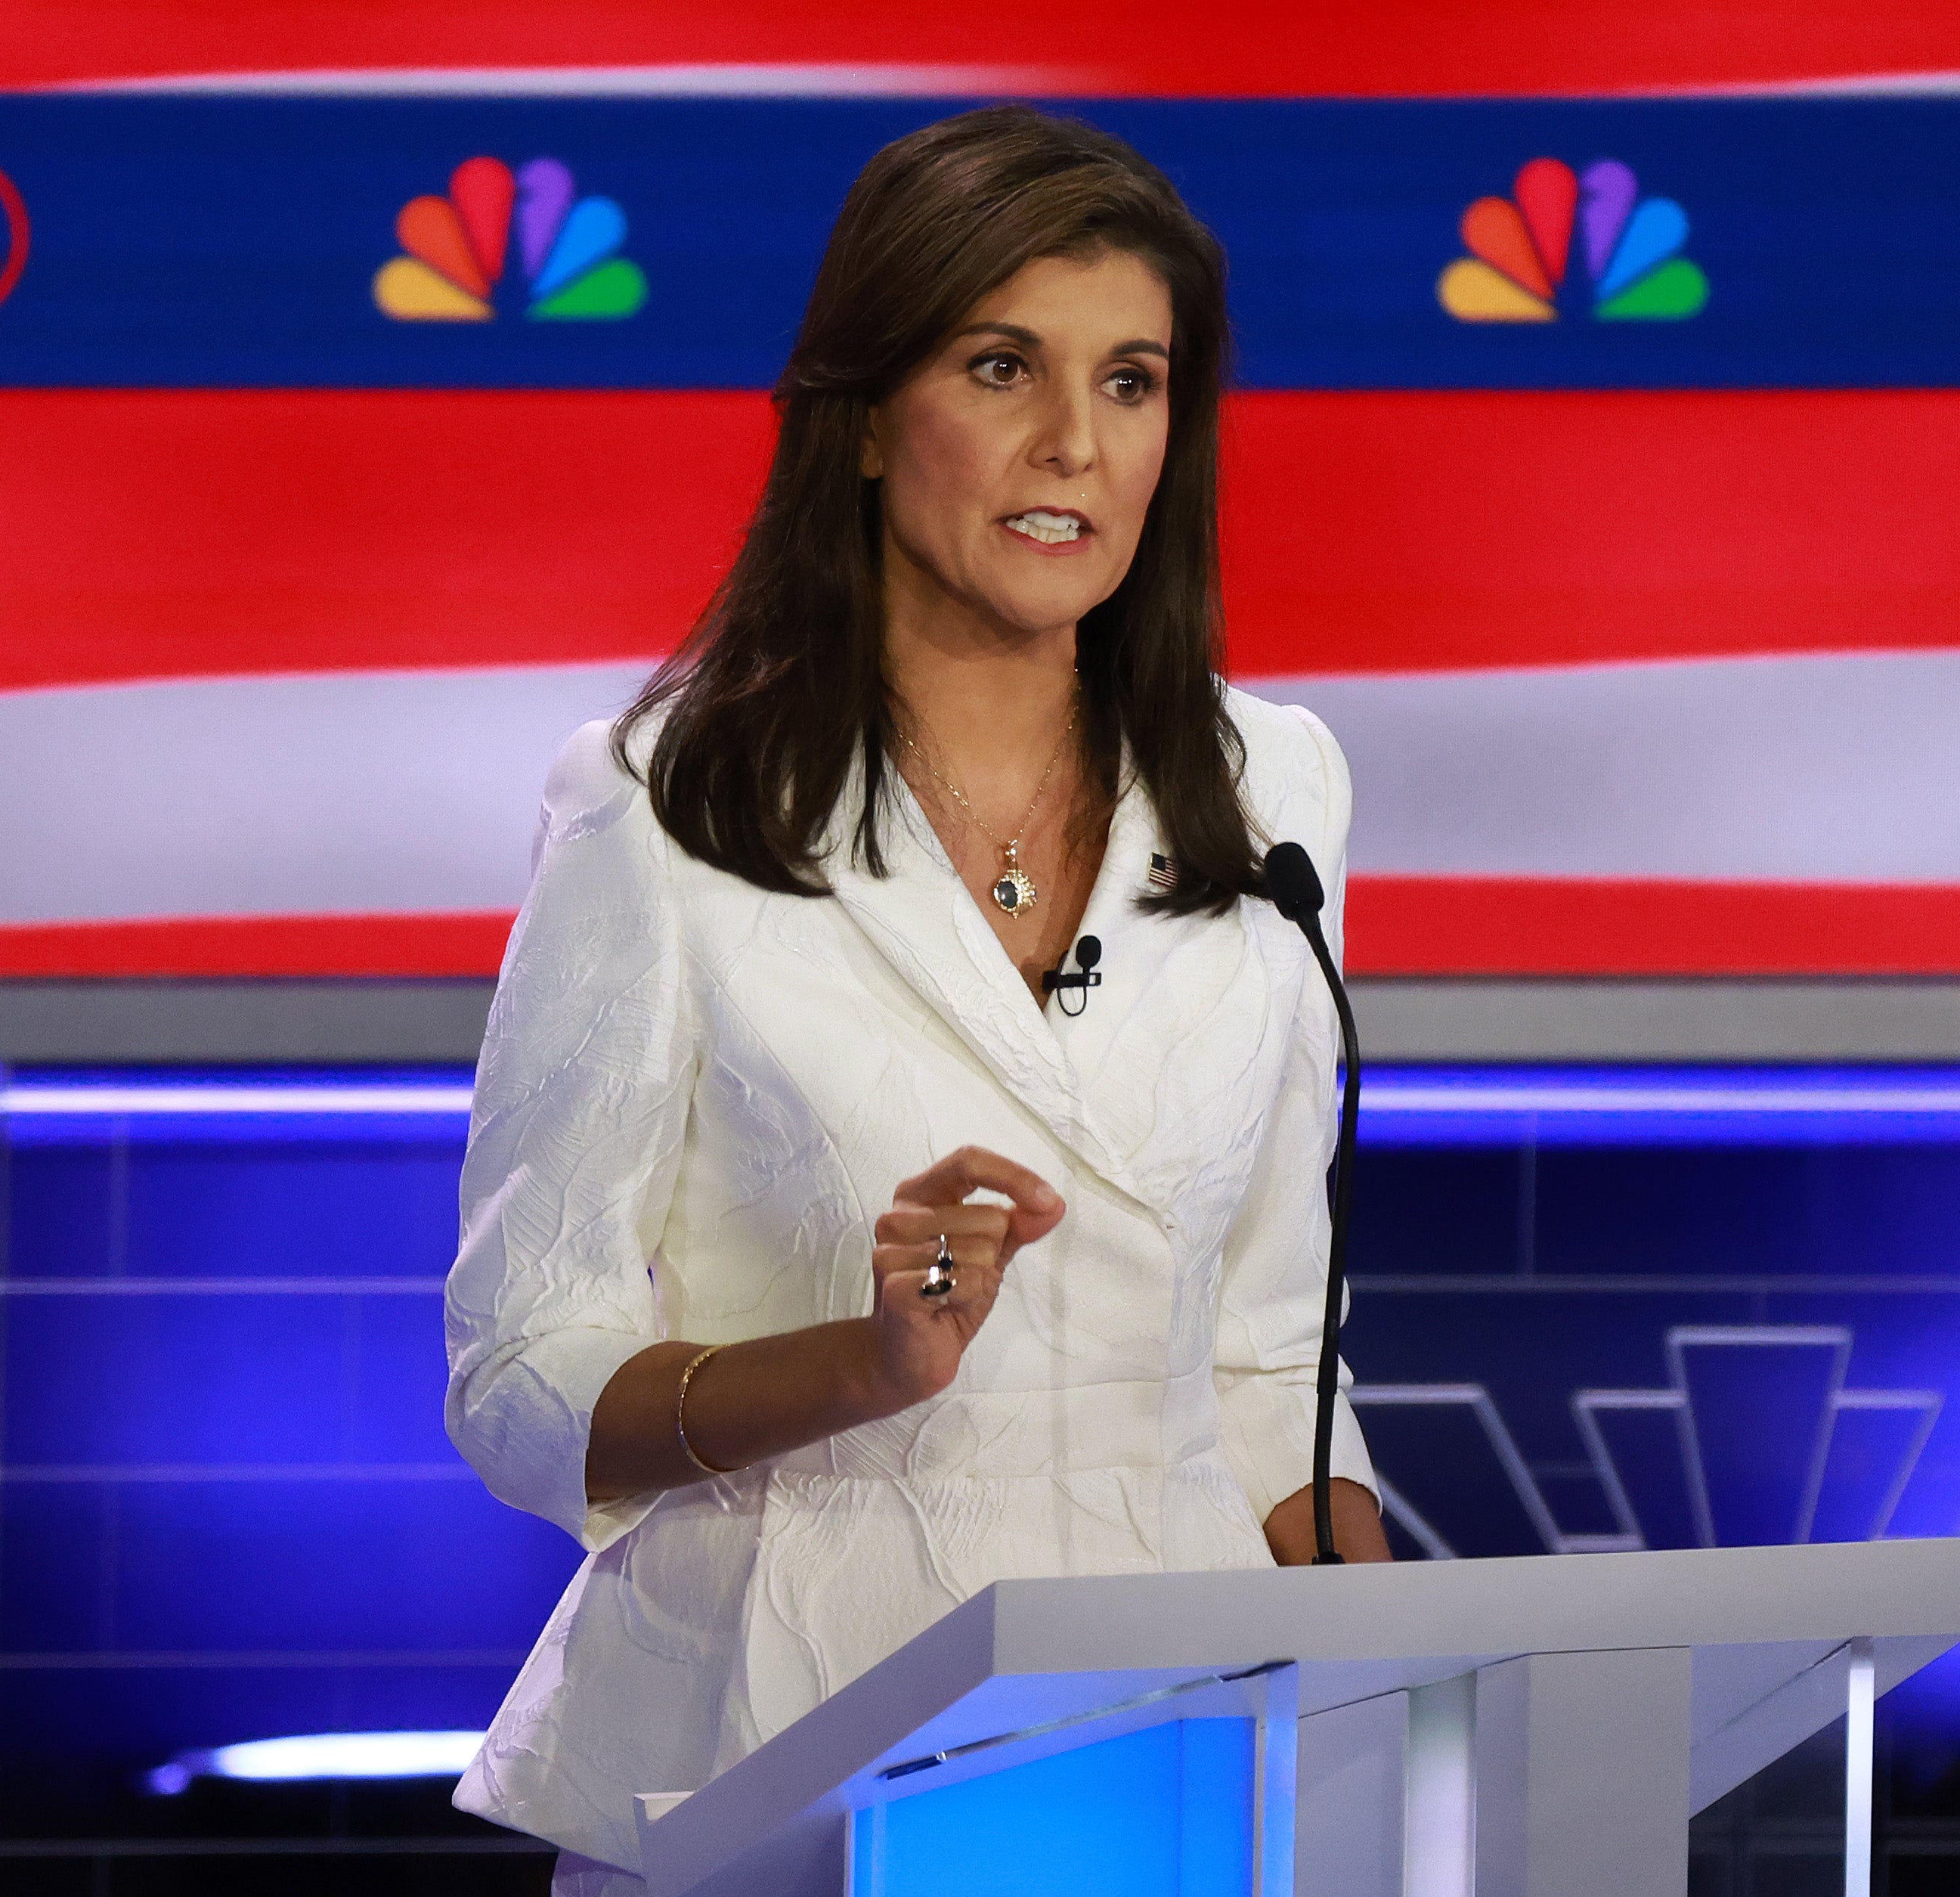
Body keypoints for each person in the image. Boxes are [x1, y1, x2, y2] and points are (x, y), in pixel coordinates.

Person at [441, 103, 1387, 1889]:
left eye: (1132, 382)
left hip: (1172, 1749)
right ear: (870, 418)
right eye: (1001, 366)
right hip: (778, 1734)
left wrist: (1411, 1717)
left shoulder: (1276, 792)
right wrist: (862, 1364)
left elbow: (1271, 1359)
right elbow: (515, 1380)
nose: (1074, 445)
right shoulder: (663, 807)